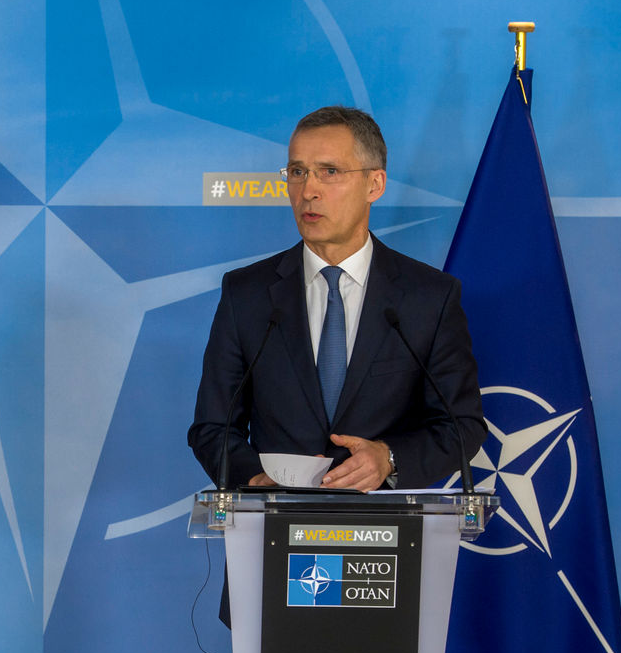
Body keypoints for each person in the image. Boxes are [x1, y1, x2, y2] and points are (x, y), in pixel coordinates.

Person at [188, 106, 485, 494]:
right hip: (270, 532)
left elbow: (462, 426)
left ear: (374, 185)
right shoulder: (246, 293)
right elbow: (213, 427)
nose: (308, 190)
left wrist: (388, 458)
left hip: (384, 535)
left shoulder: (429, 297)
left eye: (330, 172)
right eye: (297, 172)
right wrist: (256, 480)